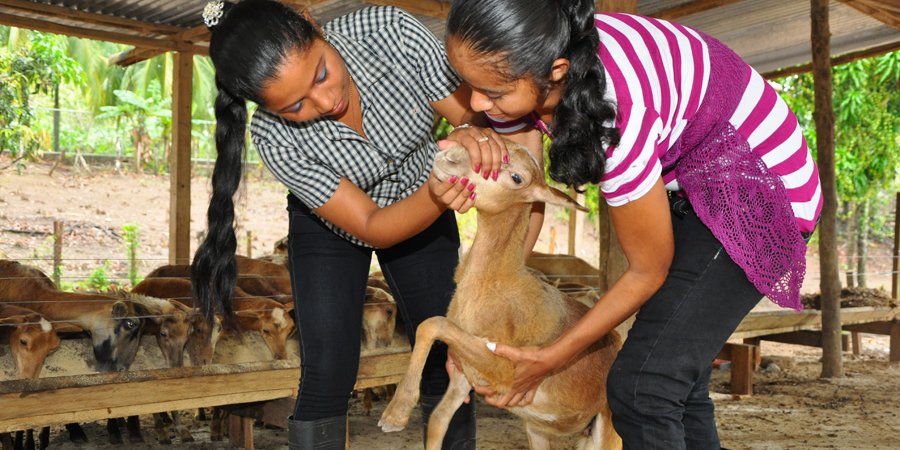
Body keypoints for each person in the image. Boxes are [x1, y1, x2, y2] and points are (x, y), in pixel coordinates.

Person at [441, 0, 822, 449]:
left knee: (643, 390)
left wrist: (550, 357)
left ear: (556, 71)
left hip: (758, 191)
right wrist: (477, 319)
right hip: (692, 179)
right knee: (675, 381)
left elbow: (647, 268)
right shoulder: (546, 46)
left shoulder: (614, 113)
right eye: (467, 84)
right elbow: (522, 195)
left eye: (495, 92)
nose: (476, 104)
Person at [189, 1, 535, 449]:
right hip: (334, 228)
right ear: (270, 109)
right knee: (329, 367)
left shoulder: (385, 31)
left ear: (314, 25)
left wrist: (472, 134)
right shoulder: (274, 137)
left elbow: (468, 114)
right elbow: (371, 225)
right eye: (296, 105)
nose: (326, 101)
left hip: (422, 189)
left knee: (446, 351)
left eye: (321, 74)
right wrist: (436, 193)